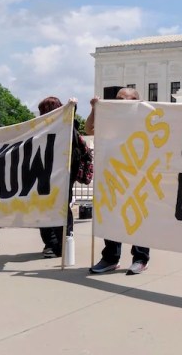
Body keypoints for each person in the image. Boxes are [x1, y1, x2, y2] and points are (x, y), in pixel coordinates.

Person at [85, 87, 151, 275]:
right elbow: (89, 129)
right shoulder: (110, 120)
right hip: (111, 177)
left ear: (135, 101)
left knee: (137, 217)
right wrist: (95, 109)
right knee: (110, 217)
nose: (118, 102)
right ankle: (110, 258)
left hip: (137, 177)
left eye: (124, 99)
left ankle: (140, 258)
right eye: (117, 99)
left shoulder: (143, 119)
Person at [37, 96, 83, 258]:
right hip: (50, 174)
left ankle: (60, 243)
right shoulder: (41, 128)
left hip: (59, 175)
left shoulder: (67, 127)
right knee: (51, 209)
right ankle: (55, 243)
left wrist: (71, 109)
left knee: (55, 209)